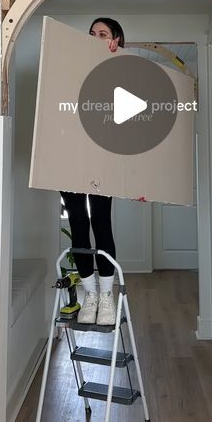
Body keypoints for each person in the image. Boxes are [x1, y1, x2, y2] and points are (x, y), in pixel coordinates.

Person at [60, 18, 125, 325]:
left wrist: (115, 58)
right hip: (70, 155)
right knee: (77, 220)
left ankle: (107, 297)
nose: (96, 38)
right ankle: (90, 294)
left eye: (103, 34)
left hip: (101, 158)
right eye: (92, 34)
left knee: (101, 220)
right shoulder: (72, 66)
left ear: (115, 39)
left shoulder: (119, 67)